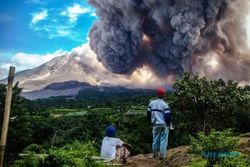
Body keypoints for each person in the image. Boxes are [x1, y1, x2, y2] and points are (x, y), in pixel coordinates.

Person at [147, 87, 172, 160]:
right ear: (164, 95)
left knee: (155, 140)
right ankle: (162, 156)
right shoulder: (165, 105)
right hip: (164, 124)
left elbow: (148, 114)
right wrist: (168, 124)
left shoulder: (151, 103)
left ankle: (154, 155)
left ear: (157, 94)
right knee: (163, 140)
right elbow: (167, 117)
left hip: (155, 124)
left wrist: (151, 121)